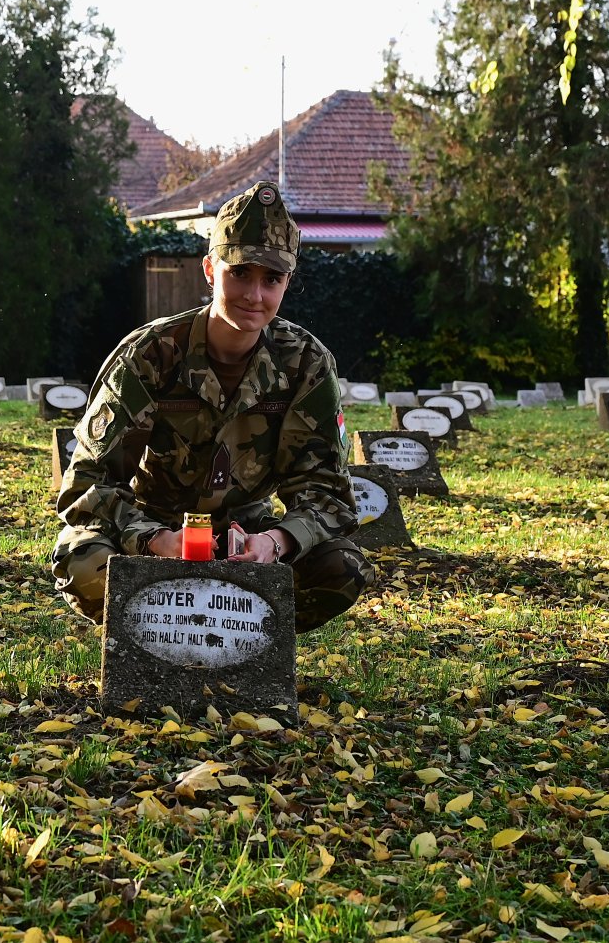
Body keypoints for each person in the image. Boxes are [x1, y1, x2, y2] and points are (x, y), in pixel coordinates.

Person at [52, 181, 376, 631]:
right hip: (151, 529)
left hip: (246, 537)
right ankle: (162, 627)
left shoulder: (305, 362)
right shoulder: (151, 354)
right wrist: (156, 540)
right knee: (85, 566)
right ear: (210, 269)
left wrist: (275, 542)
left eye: (272, 279)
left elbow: (326, 492)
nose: (254, 295)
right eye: (239, 273)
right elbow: (86, 481)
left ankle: (244, 634)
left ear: (288, 282)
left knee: (341, 569)